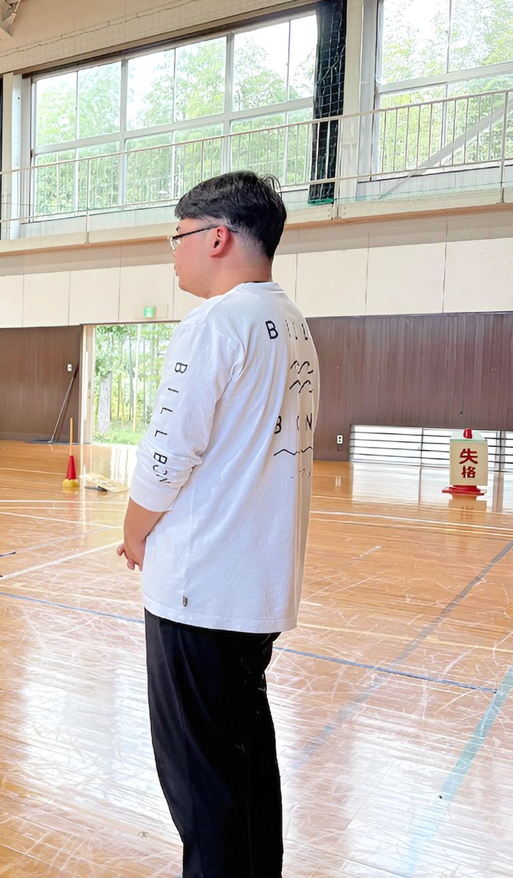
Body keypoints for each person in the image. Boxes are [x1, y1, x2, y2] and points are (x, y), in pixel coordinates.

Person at [117, 172, 319, 876]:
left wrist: (135, 529)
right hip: (255, 591)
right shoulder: (291, 323)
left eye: (177, 236)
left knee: (205, 795)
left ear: (217, 236)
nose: (173, 254)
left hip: (199, 592)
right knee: (246, 773)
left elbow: (169, 453)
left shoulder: (215, 322)